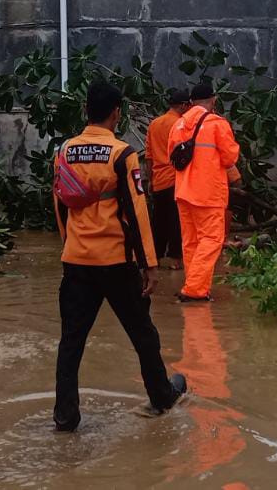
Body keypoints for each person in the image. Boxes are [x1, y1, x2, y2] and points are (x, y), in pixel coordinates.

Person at [52, 80, 188, 432]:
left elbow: (59, 205)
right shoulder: (122, 154)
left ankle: (66, 417)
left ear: (86, 111)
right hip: (114, 261)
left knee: (71, 342)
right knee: (143, 333)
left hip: (76, 261)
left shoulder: (64, 151)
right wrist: (150, 265)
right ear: (117, 113)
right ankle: (160, 396)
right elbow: (137, 210)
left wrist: (70, 243)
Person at [169, 81, 240, 303]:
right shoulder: (217, 124)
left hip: (183, 192)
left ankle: (196, 286)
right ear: (214, 100)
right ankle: (194, 290)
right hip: (208, 193)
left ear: (190, 102)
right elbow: (230, 158)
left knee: (191, 242)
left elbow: (172, 159)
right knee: (211, 240)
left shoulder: (178, 125)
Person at [146, 88, 191, 269]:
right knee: (176, 222)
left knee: (158, 221)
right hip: (176, 180)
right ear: (182, 106)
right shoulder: (182, 125)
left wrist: (150, 180)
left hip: (159, 180)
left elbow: (149, 156)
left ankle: (154, 259)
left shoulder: (154, 124)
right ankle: (175, 260)